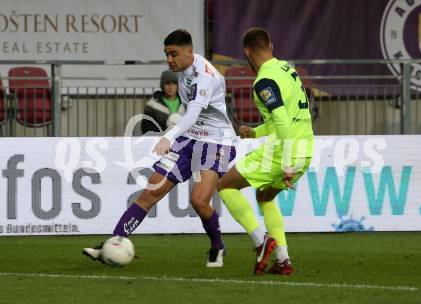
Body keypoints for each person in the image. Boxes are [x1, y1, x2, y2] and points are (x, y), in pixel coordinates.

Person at [83, 29, 236, 268]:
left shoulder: (204, 75)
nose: (169, 60)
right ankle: (112, 244)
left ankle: (218, 247)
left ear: (189, 51)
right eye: (166, 54)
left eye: (173, 54)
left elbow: (194, 113)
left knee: (199, 200)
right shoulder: (182, 72)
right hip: (190, 139)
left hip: (217, 142)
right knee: (149, 193)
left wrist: (169, 136)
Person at [217, 27, 314, 275]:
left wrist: (287, 165)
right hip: (306, 150)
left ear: (247, 52)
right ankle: (283, 260)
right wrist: (256, 133)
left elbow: (282, 122)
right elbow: (284, 118)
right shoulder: (288, 70)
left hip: (284, 153)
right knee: (265, 197)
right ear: (271, 45)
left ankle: (262, 241)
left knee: (225, 186)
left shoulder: (264, 80)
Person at [141, 70, 185, 134]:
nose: (171, 87)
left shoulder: (186, 103)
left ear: (178, 85)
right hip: (161, 141)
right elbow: (146, 127)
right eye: (167, 83)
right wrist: (164, 133)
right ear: (162, 86)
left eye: (174, 83)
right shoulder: (152, 104)